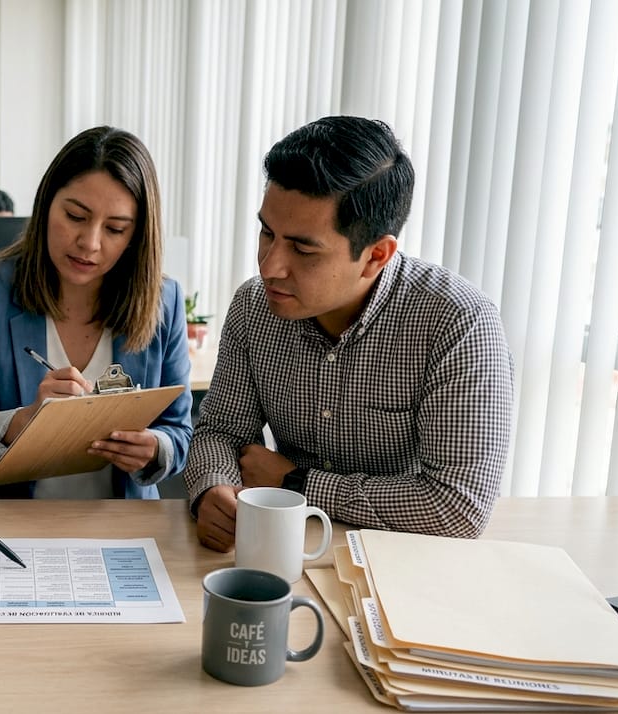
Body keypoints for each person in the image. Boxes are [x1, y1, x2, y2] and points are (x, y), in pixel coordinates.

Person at [183, 116, 514, 550]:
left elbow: (457, 506)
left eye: (303, 248)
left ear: (377, 254)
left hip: (408, 565)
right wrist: (213, 489)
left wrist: (297, 483)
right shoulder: (254, 307)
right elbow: (221, 431)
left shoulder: (458, 323)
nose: (269, 266)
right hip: (287, 550)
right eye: (266, 232)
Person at [0, 126, 193, 499]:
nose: (89, 243)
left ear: (137, 235)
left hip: (120, 524)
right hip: (5, 523)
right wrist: (24, 421)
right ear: (46, 205)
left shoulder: (164, 300)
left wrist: (155, 448)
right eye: (75, 216)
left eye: (115, 228)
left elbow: (180, 433)